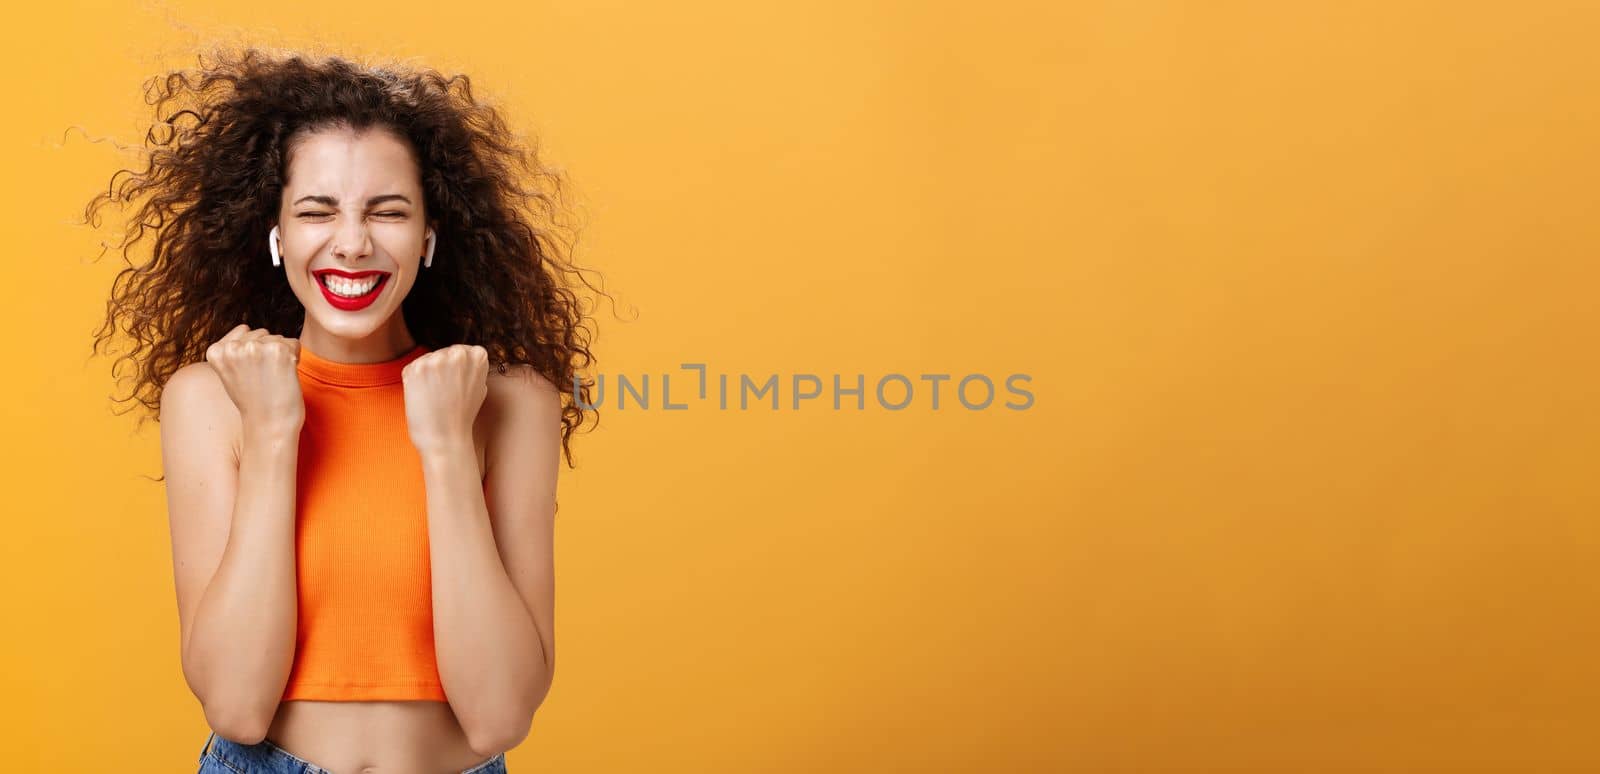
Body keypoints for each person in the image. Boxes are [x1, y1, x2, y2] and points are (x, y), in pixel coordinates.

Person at [86, 46, 604, 773]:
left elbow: (498, 717)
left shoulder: (509, 401)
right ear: (276, 233)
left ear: (428, 236)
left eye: (387, 212)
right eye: (316, 211)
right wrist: (273, 434)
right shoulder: (213, 399)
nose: (353, 244)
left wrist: (449, 449)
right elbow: (236, 706)